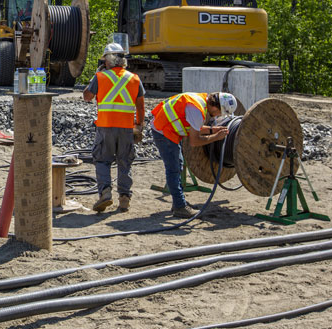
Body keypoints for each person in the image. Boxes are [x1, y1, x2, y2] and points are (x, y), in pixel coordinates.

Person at [151, 91, 238, 218]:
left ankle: (178, 203)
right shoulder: (197, 109)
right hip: (164, 131)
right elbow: (194, 141)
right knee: (173, 169)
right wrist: (216, 137)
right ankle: (180, 207)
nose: (219, 116)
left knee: (178, 165)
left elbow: (194, 127)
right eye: (221, 112)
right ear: (215, 106)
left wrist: (212, 130)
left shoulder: (199, 101)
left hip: (166, 127)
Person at [82, 42, 145, 213]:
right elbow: (140, 106)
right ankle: (124, 198)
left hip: (105, 127)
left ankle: (105, 193)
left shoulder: (100, 77)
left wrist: (95, 75)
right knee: (125, 162)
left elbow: (87, 97)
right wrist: (139, 125)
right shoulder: (134, 78)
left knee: (102, 160)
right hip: (126, 128)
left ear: (108, 61)